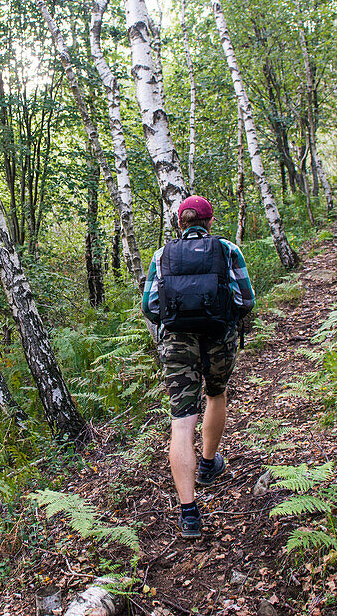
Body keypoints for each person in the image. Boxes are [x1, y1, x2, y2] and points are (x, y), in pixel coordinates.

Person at [141, 195, 255, 539]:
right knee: (216, 394)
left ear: (180, 223)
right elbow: (245, 299)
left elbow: (150, 306)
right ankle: (207, 465)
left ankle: (189, 514)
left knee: (181, 422)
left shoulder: (162, 255)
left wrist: (176, 323)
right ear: (209, 222)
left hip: (177, 342)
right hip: (219, 337)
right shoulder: (227, 250)